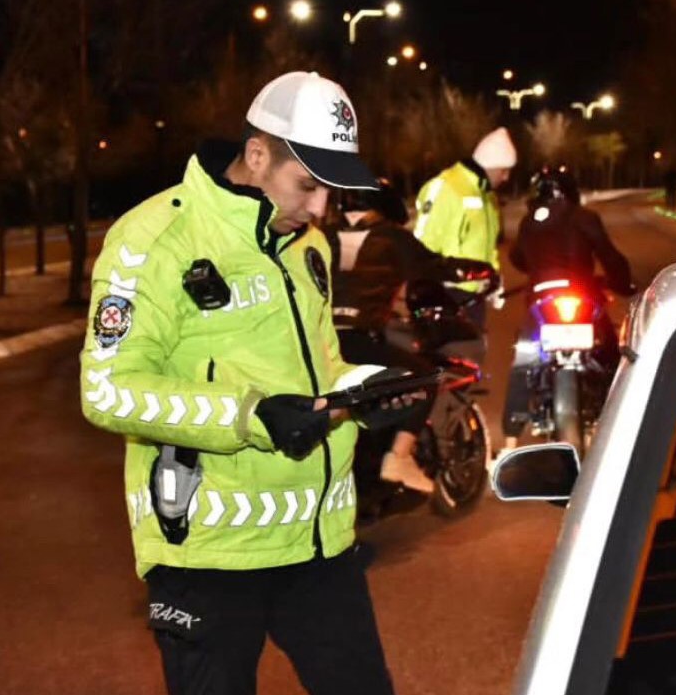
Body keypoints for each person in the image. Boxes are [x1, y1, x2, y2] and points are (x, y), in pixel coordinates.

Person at [79, 71, 427, 695]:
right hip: (209, 554)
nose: (320, 208)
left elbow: (322, 370)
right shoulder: (154, 240)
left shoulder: (307, 246)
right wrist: (251, 415)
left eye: (329, 190)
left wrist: (372, 390)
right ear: (258, 154)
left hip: (320, 542)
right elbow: (107, 388)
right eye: (309, 185)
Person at [325, 179, 494, 494]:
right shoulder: (393, 238)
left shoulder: (320, 236)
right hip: (359, 341)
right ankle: (399, 458)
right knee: (425, 377)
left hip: (318, 343)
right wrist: (481, 272)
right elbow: (439, 267)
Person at [500, 166, 635, 456]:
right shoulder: (585, 217)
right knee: (611, 352)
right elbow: (609, 256)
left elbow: (518, 258)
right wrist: (624, 284)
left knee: (525, 359)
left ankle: (510, 440)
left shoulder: (528, 223)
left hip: (541, 302)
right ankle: (624, 413)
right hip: (582, 296)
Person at [412, 126, 516, 329]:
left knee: (473, 355)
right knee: (449, 357)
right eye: (505, 171)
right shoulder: (446, 187)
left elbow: (486, 244)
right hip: (446, 294)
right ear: (492, 166)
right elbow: (423, 242)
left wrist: (493, 276)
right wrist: (427, 287)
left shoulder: (487, 196)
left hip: (473, 296)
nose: (506, 178)